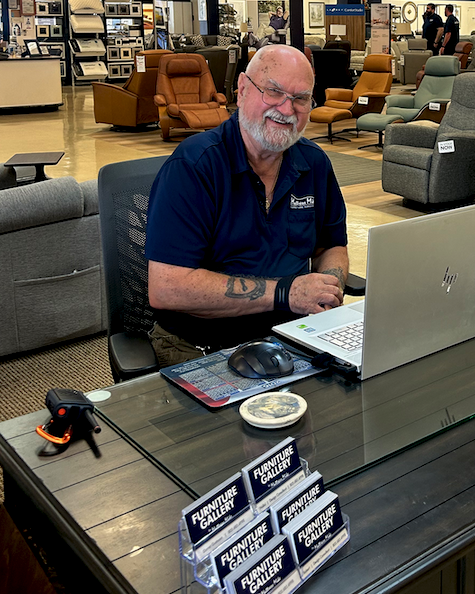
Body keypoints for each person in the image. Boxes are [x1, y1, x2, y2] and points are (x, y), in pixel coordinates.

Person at [145, 45, 349, 367]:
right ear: (241, 90)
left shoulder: (314, 164)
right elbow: (167, 288)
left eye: (301, 99)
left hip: (292, 335)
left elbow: (331, 244)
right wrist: (286, 293)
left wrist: (328, 288)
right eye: (274, 92)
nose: (287, 109)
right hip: (203, 344)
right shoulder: (194, 167)